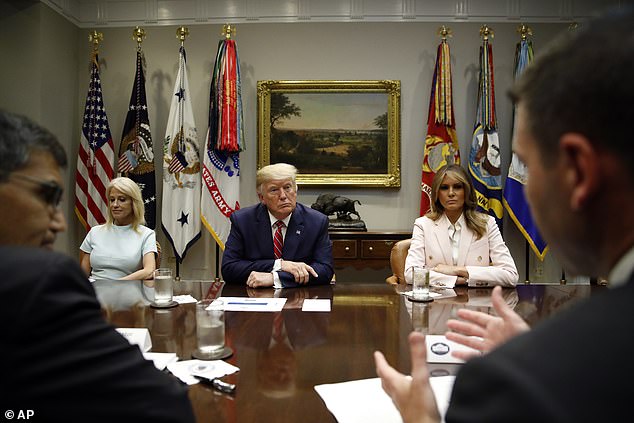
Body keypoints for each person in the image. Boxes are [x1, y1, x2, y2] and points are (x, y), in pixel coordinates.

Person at [375, 8, 634, 422]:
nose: (521, 188)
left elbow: (507, 274)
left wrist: (423, 418)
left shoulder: (517, 382)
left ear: (579, 171)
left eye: (526, 166)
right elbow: (418, 272)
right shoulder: (426, 224)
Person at [0, 110, 194, 421]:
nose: (61, 222)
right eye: (46, 195)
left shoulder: (144, 233)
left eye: (123, 200)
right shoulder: (38, 280)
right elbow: (164, 403)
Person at [222, 163, 334, 288]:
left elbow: (325, 271)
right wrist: (279, 265)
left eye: (287, 188)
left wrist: (275, 278)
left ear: (295, 190)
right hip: (255, 299)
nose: (283, 196)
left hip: (298, 299)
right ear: (262, 198)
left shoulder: (316, 222)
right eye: (274, 190)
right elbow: (229, 268)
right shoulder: (243, 221)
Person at [405, 164, 518, 288]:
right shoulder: (423, 225)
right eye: (444, 188)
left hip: (477, 303)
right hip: (437, 302)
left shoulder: (487, 224)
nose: (451, 193)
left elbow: (511, 275)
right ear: (437, 193)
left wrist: (458, 270)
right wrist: (456, 281)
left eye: (457, 187)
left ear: (467, 190)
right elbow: (411, 274)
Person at [80, 176, 157, 281]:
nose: (115, 205)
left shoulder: (146, 234)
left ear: (134, 203)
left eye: (122, 200)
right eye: (112, 200)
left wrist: (115, 284)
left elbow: (149, 271)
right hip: (94, 292)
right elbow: (82, 275)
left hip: (127, 292)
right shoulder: (95, 232)